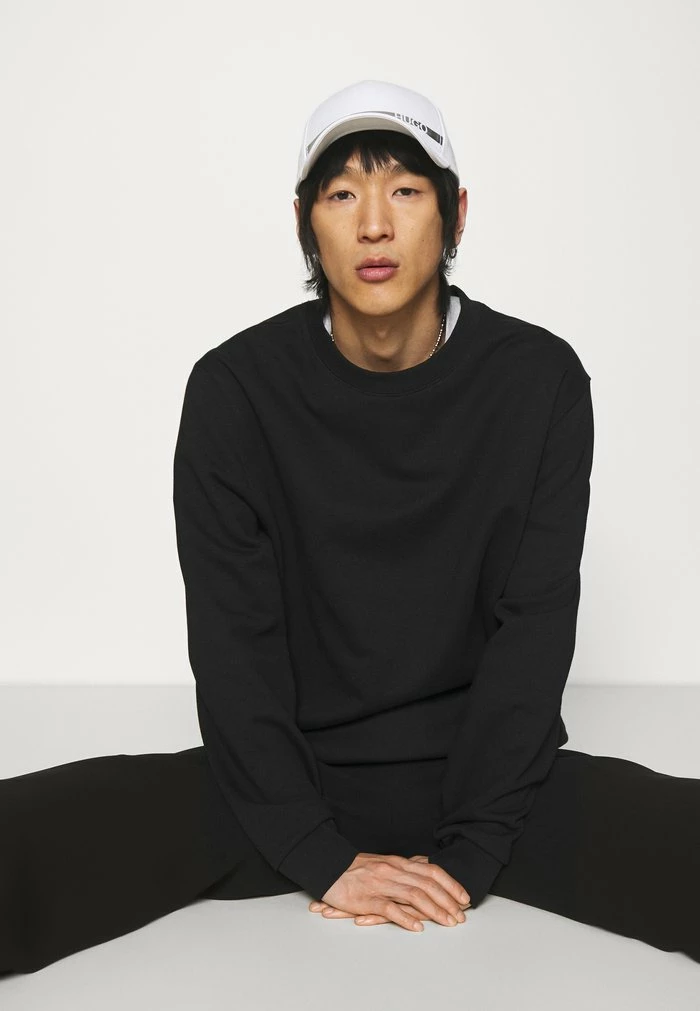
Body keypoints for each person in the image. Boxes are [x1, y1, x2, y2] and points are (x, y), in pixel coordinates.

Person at [1, 79, 698, 977]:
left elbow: (534, 629)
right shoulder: (235, 392)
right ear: (305, 219)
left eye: (405, 189)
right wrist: (317, 852)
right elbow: (234, 649)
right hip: (285, 778)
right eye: (342, 194)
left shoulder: (539, 382)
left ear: (455, 214)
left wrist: (470, 854)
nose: (374, 224)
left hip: (492, 780)